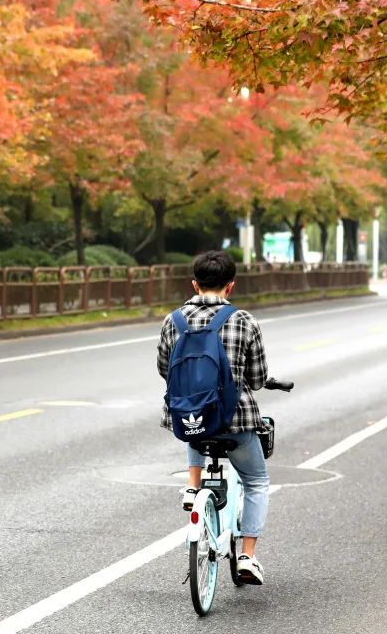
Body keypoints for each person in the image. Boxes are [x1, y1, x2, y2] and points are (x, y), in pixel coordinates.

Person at [157, 250, 271, 585]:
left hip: (188, 418)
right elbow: (257, 377)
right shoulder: (243, 321)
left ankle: (194, 487)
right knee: (256, 482)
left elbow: (165, 369)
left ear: (194, 283)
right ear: (231, 286)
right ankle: (248, 556)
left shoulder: (173, 320)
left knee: (194, 421)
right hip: (235, 421)